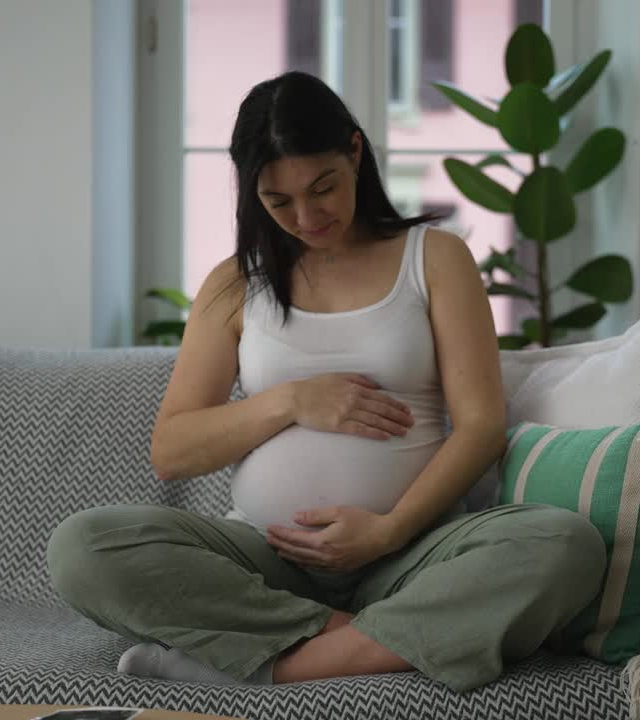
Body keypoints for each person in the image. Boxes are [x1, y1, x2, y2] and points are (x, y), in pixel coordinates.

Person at [46, 71, 605, 694]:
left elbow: (480, 428)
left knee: (565, 543)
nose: (307, 216)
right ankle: (374, 637)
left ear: (356, 153)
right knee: (81, 548)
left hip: (414, 553)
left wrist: (388, 530)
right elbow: (172, 450)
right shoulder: (235, 285)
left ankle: (278, 664)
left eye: (323, 188)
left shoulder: (435, 258)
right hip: (263, 558)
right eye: (278, 201)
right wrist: (292, 401)